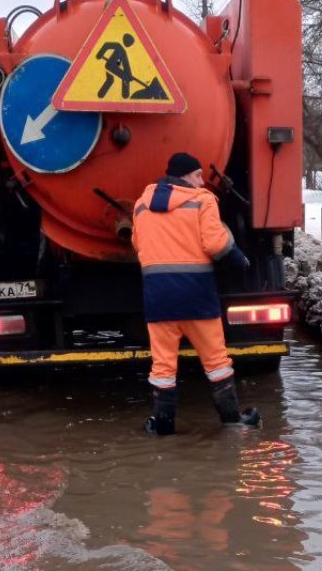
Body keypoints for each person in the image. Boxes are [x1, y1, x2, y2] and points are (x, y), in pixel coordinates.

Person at [132, 152, 260, 435]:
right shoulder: (203, 200)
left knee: (163, 364)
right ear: (185, 176)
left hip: (158, 298)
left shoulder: (141, 205)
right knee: (216, 361)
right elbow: (215, 244)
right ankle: (231, 419)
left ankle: (163, 425)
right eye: (198, 175)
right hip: (196, 296)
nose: (203, 181)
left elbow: (137, 245)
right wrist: (238, 256)